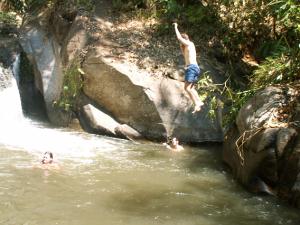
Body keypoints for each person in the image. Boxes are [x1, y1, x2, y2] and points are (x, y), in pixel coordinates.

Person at [173, 22, 204, 113]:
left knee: (186, 88)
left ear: (184, 40)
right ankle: (198, 103)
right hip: (193, 68)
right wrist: (181, 47)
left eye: (182, 42)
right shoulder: (188, 47)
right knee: (191, 88)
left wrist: (175, 27)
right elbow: (184, 55)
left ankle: (197, 103)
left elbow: (179, 38)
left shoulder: (190, 44)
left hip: (192, 68)